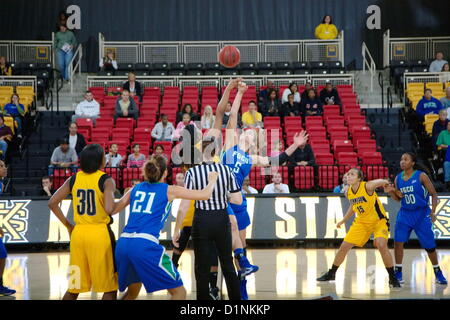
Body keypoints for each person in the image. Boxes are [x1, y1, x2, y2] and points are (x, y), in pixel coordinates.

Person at [111, 156, 219, 300]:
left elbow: (112, 209)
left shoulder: (134, 188)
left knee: (132, 293)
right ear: (166, 173)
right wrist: (212, 180)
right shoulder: (169, 190)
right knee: (180, 293)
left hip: (123, 244)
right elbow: (205, 195)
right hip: (145, 245)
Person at [48, 144, 118, 300]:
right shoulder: (107, 180)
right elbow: (109, 209)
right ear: (100, 160)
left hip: (78, 234)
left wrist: (68, 225)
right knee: (109, 288)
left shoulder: (73, 179)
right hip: (100, 234)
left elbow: (52, 203)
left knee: (74, 287)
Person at [316, 168, 401, 289]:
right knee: (343, 247)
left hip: (378, 221)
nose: (348, 176)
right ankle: (331, 273)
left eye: (352, 174)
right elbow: (353, 206)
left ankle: (392, 278)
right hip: (361, 222)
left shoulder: (367, 186)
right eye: (348, 174)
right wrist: (343, 220)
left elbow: (381, 180)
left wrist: (386, 183)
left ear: (359, 178)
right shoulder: (348, 191)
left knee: (381, 245)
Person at [385, 153, 447, 285]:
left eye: (405, 159)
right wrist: (392, 192)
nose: (402, 161)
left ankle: (437, 271)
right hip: (405, 213)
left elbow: (434, 194)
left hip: (421, 214)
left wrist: (434, 211)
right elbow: (398, 198)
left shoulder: (421, 176)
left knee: (429, 246)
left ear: (412, 163)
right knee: (398, 242)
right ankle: (398, 271)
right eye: (401, 159)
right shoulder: (398, 178)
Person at [0, 160, 15, 296]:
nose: (5, 168)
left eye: (5, 165)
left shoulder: (1, 184)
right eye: (2, 166)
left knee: (2, 254)